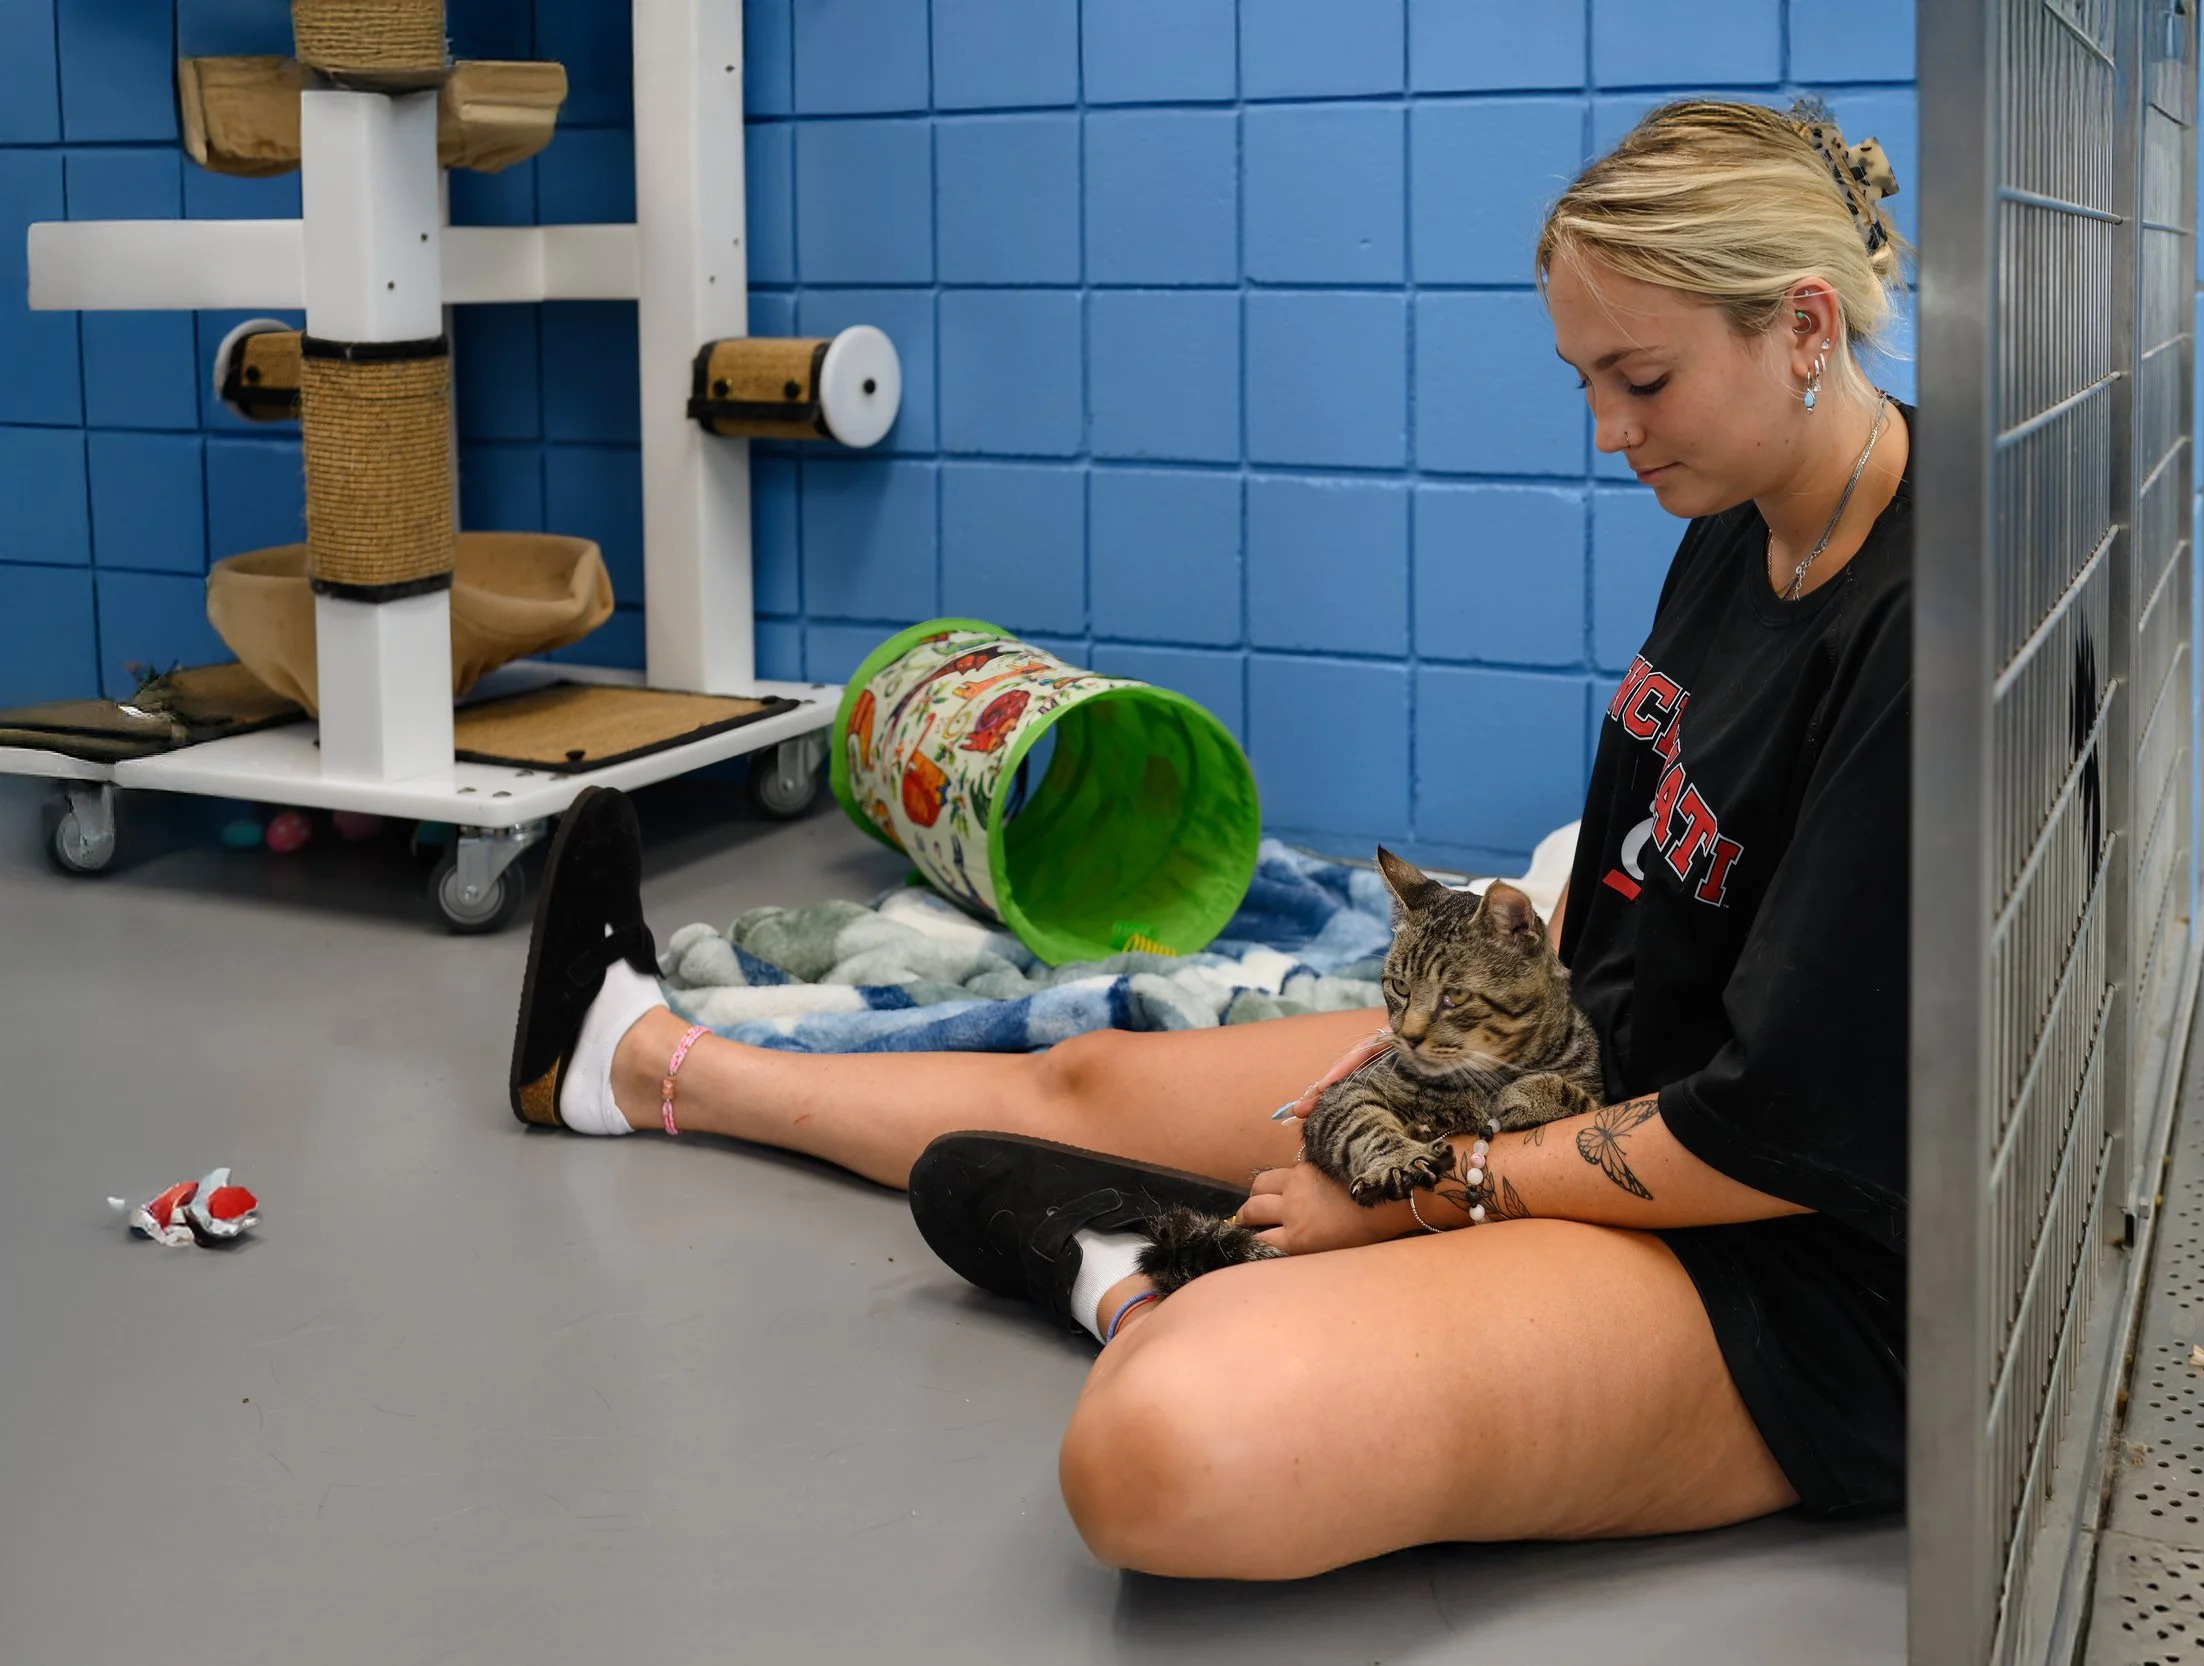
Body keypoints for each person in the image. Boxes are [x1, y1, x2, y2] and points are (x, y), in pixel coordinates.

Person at [506, 97, 1914, 1581]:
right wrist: (1471, 1017)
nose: (1607, 431)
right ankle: (638, 1061)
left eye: (1641, 378)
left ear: (1804, 325)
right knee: (1095, 1076)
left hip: (1786, 1258)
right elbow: (1664, 886)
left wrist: (1435, 1188)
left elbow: (1776, 1125)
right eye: (1584, 379)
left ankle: (1139, 1280)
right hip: (1601, 1080)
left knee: (1160, 1448)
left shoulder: (1915, 633)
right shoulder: (1742, 506)